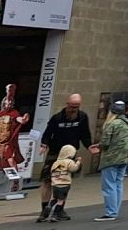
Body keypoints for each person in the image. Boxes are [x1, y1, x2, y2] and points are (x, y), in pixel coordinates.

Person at [35, 92, 90, 222]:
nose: (74, 109)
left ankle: (59, 209)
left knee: (64, 181)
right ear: (67, 104)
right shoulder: (57, 118)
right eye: (72, 106)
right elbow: (47, 133)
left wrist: (89, 146)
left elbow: (85, 134)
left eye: (76, 107)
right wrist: (44, 145)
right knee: (47, 180)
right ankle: (44, 209)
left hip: (70, 154)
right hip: (55, 152)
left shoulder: (82, 117)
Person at [96, 100, 128, 222]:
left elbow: (105, 142)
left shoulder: (111, 124)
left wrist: (98, 146)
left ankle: (110, 212)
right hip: (125, 157)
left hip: (111, 158)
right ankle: (115, 210)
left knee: (108, 185)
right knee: (118, 184)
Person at [45, 143, 81, 221]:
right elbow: (74, 169)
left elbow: (51, 171)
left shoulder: (56, 162)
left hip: (54, 184)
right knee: (61, 200)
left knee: (54, 198)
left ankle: (49, 208)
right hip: (64, 184)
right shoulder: (69, 162)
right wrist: (78, 162)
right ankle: (55, 214)